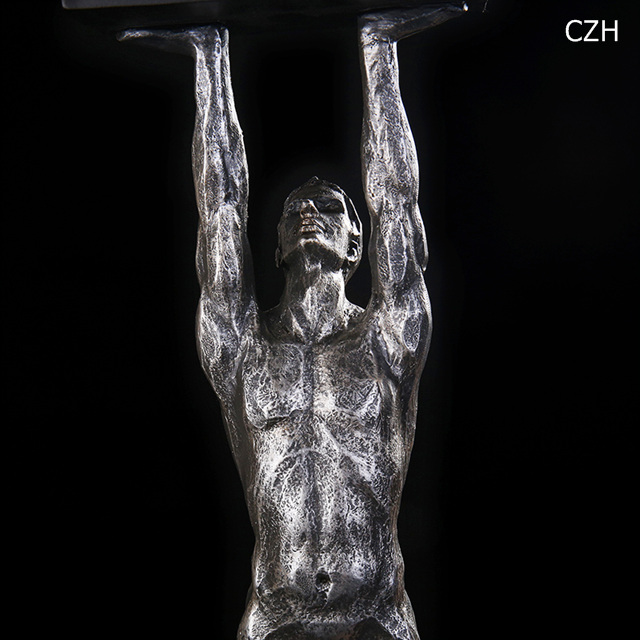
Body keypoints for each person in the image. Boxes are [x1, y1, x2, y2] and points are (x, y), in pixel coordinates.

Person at [121, 4, 466, 638]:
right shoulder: (244, 348)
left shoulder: (386, 340)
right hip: (276, 607)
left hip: (377, 607)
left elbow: (396, 201)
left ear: (356, 245)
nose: (309, 213)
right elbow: (220, 212)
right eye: (294, 211)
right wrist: (209, 57)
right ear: (278, 245)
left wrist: (379, 49)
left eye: (329, 207)